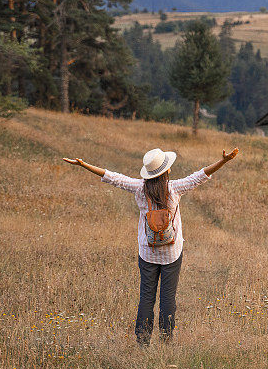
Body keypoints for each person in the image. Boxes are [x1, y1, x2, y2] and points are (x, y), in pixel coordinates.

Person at [62, 147, 239, 345]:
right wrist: (224, 161)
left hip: (147, 253)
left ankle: (143, 340)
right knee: (168, 298)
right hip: (172, 252)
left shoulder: (139, 188)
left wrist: (84, 164)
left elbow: (113, 177)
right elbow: (201, 175)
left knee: (147, 297)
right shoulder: (174, 189)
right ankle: (166, 339)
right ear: (167, 171)